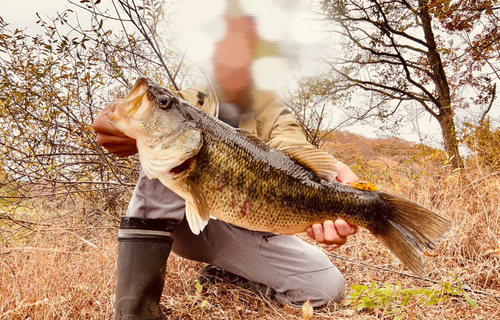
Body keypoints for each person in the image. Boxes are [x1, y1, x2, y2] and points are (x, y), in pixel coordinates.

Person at [93, 14, 359, 320]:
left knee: (327, 287)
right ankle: (134, 312)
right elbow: (136, 121)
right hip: (188, 226)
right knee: (168, 154)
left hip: (255, 223)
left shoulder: (274, 110)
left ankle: (233, 272)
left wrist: (335, 174)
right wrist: (114, 124)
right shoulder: (189, 103)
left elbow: (293, 151)